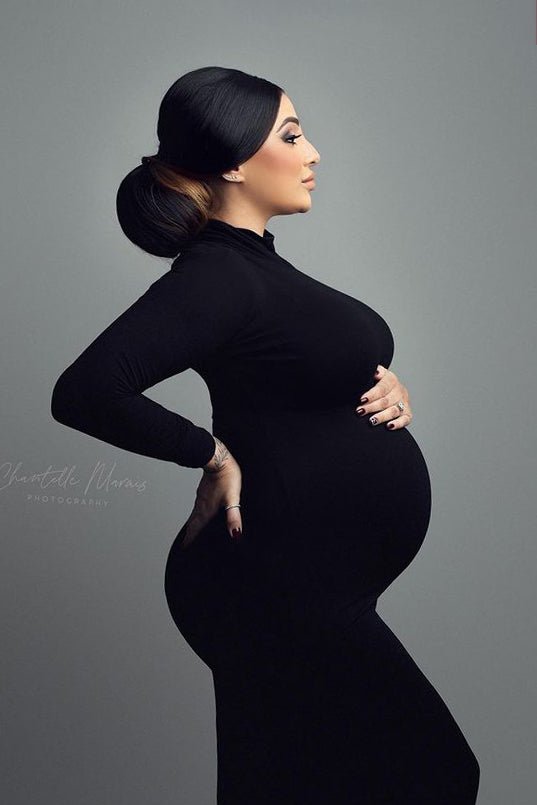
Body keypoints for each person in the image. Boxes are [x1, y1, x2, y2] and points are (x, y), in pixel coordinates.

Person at [50, 65, 480, 804]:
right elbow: (87, 391)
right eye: (290, 133)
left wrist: (383, 382)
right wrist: (209, 453)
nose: (312, 151)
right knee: (433, 771)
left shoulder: (254, 272)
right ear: (232, 161)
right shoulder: (216, 275)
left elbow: (291, 365)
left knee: (285, 781)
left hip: (298, 578)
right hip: (271, 580)